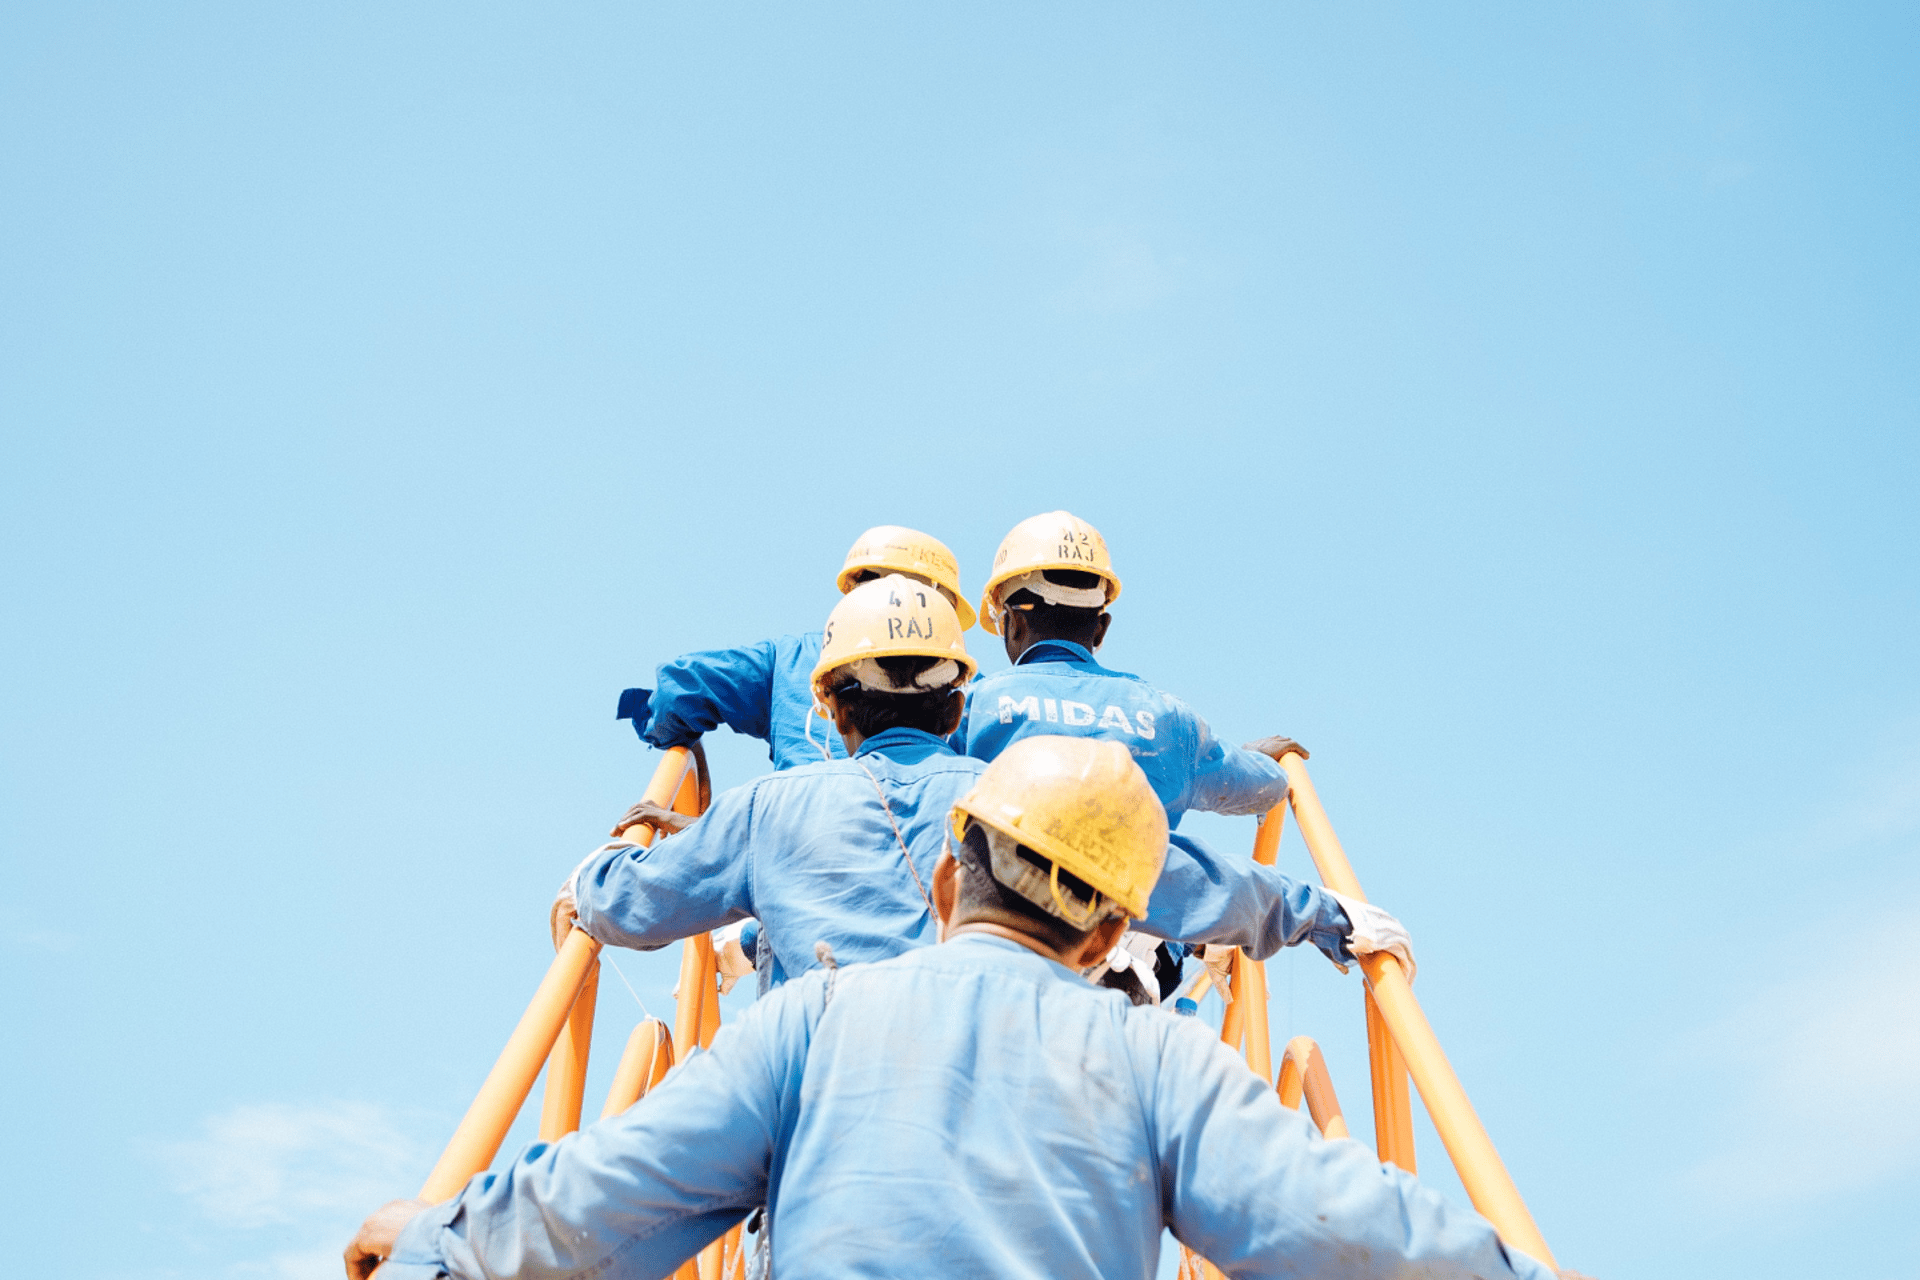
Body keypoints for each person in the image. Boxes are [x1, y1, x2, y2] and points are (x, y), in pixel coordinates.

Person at [347, 738, 1561, 1280]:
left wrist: (437, 1235)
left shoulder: (807, 1022)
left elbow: (607, 1196)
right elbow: (1339, 1222)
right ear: (1108, 936)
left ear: (944, 878)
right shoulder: (1162, 1057)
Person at [552, 577, 1406, 995]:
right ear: (960, 697)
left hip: (820, 1157)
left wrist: (603, 866)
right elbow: (1186, 879)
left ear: (831, 705)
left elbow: (627, 906)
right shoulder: (1022, 799)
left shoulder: (764, 812)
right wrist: (1325, 914)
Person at [963, 510, 1302, 828]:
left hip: (1005, 872)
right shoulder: (1168, 717)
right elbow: (1260, 786)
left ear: (1014, 623)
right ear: (1101, 629)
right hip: (1138, 875)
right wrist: (1258, 760)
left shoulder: (974, 706)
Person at [618, 525, 976, 771]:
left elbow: (680, 691)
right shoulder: (966, 686)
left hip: (791, 840)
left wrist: (675, 739)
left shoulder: (787, 661)